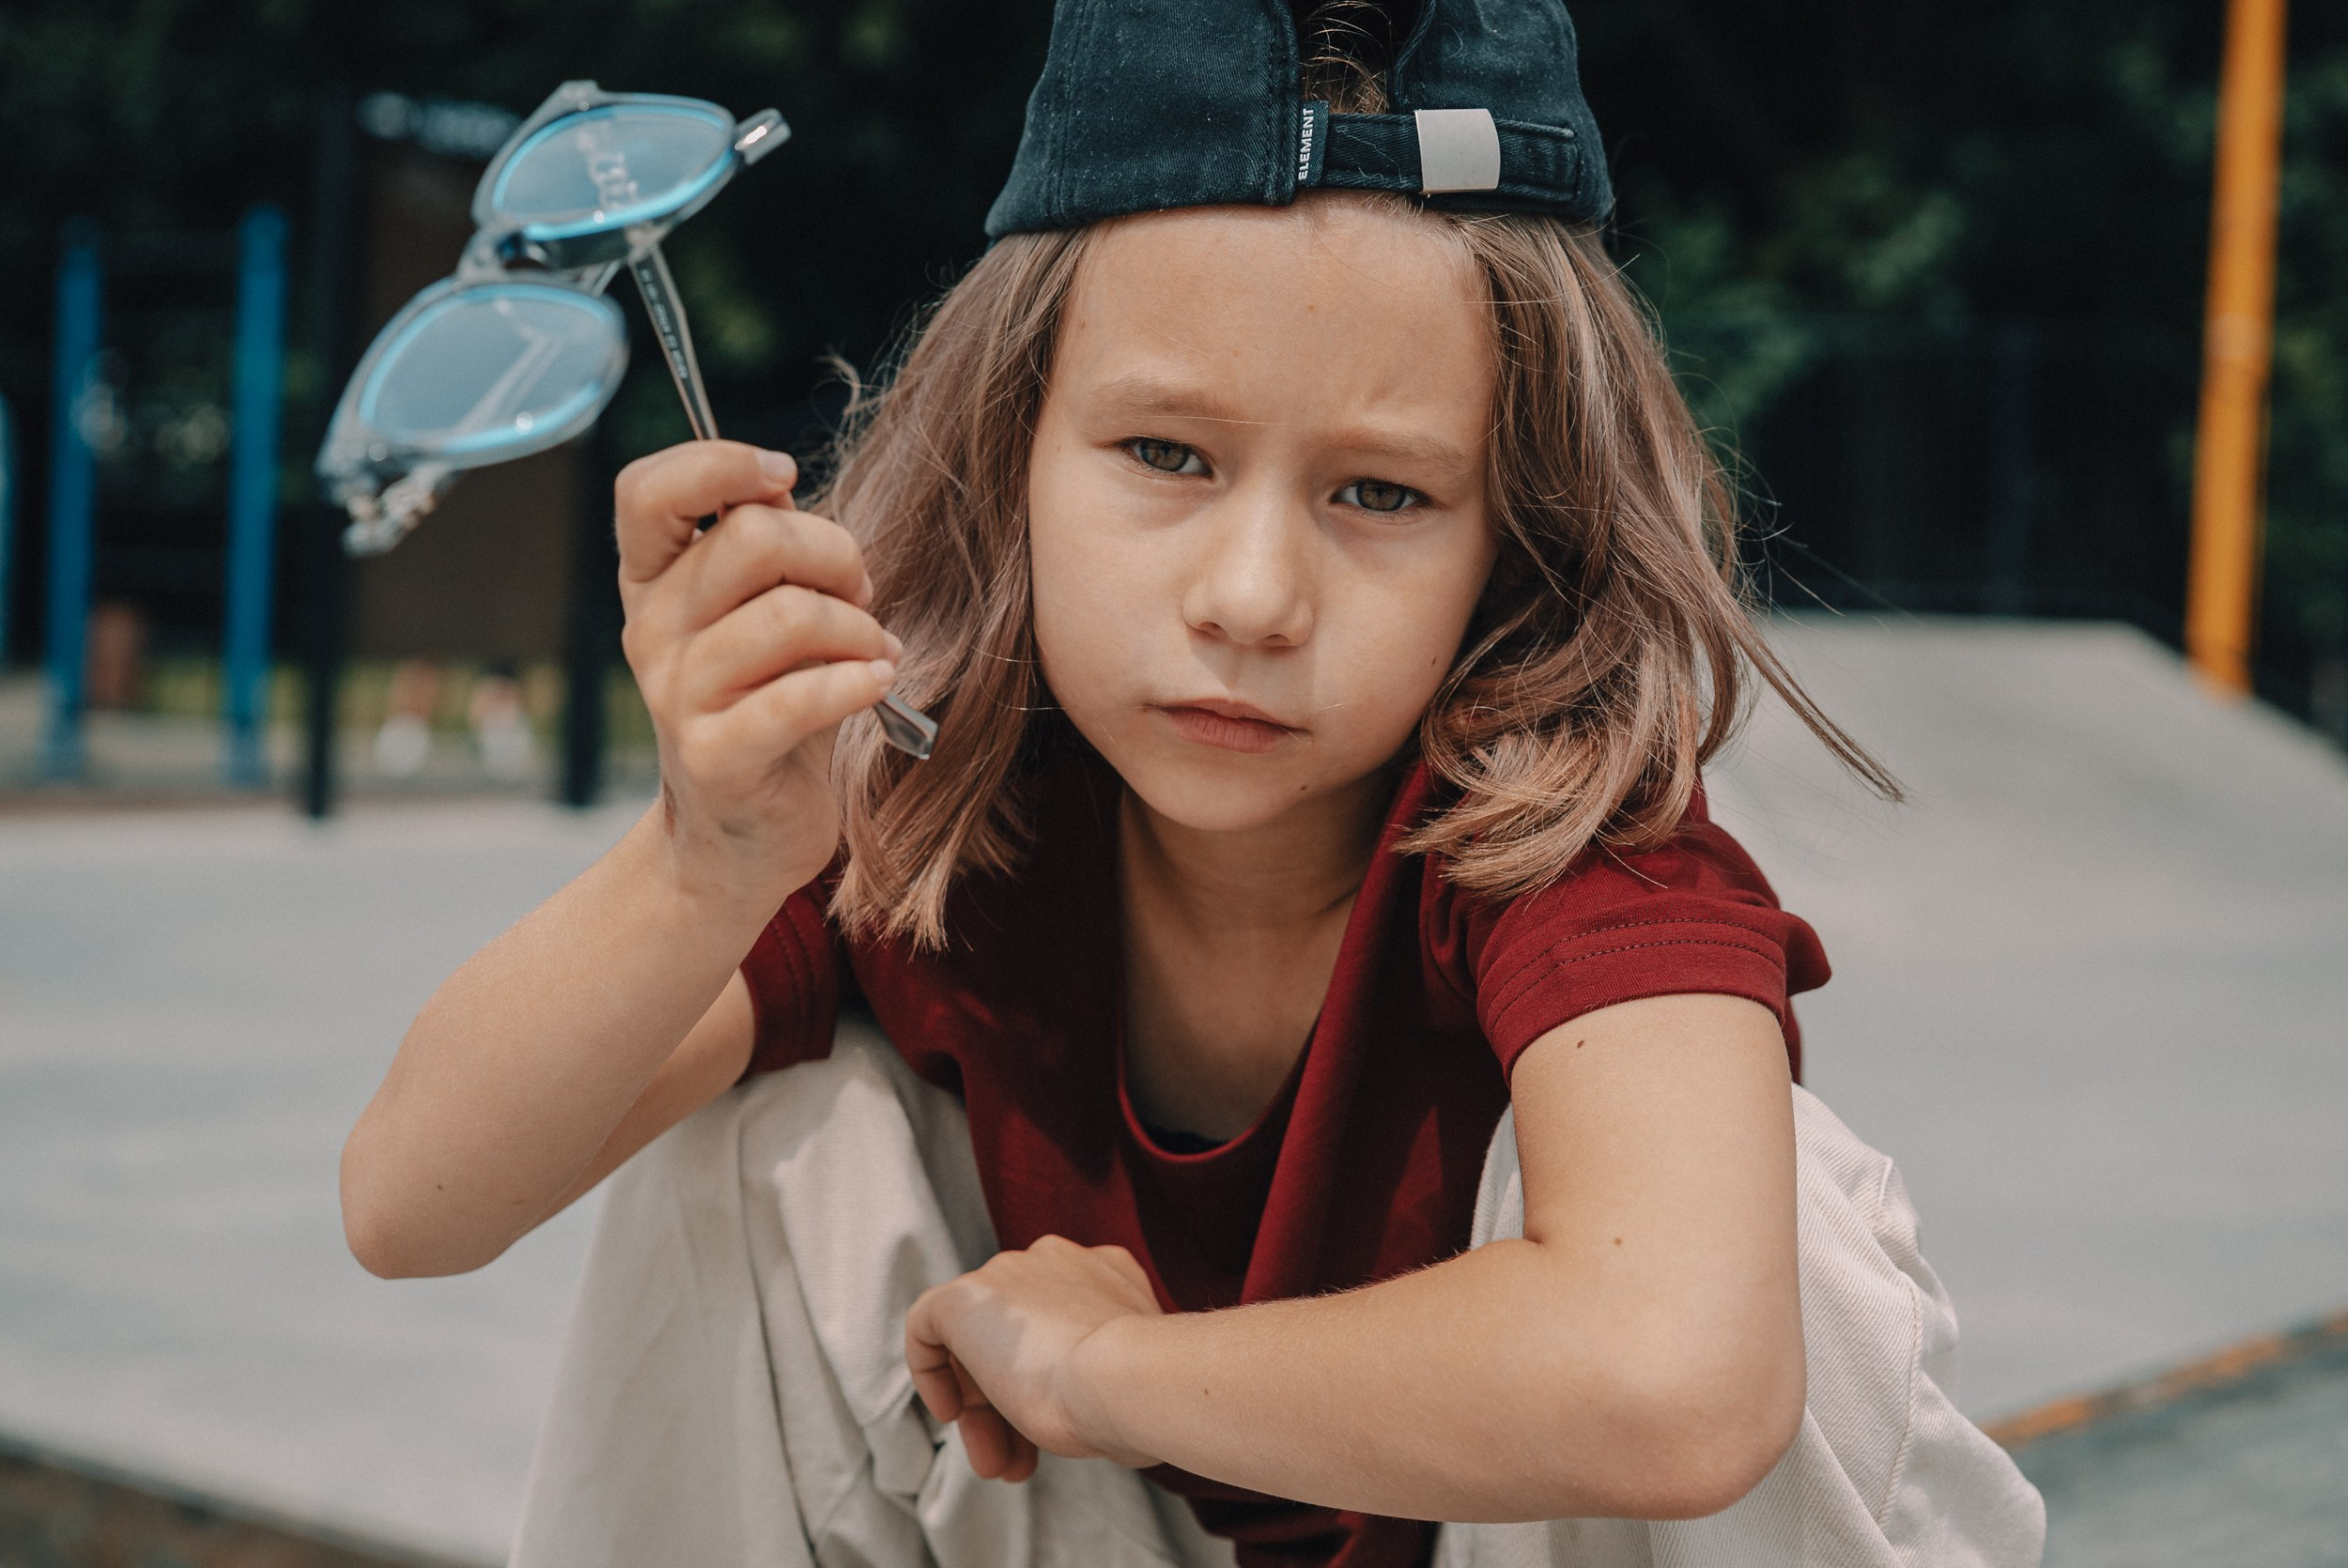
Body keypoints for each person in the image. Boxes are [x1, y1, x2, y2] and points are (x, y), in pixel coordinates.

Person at [340, 2, 2047, 1564]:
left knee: (1767, 1231)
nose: (1249, 597)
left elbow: (1680, 1379)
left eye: (1380, 493)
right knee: (751, 1126)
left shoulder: (1566, 846)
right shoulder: (932, 814)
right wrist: (704, 857)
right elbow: (411, 1203)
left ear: (1512, 543)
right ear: (1010, 451)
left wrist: (1120, 1368)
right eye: (1166, 454)